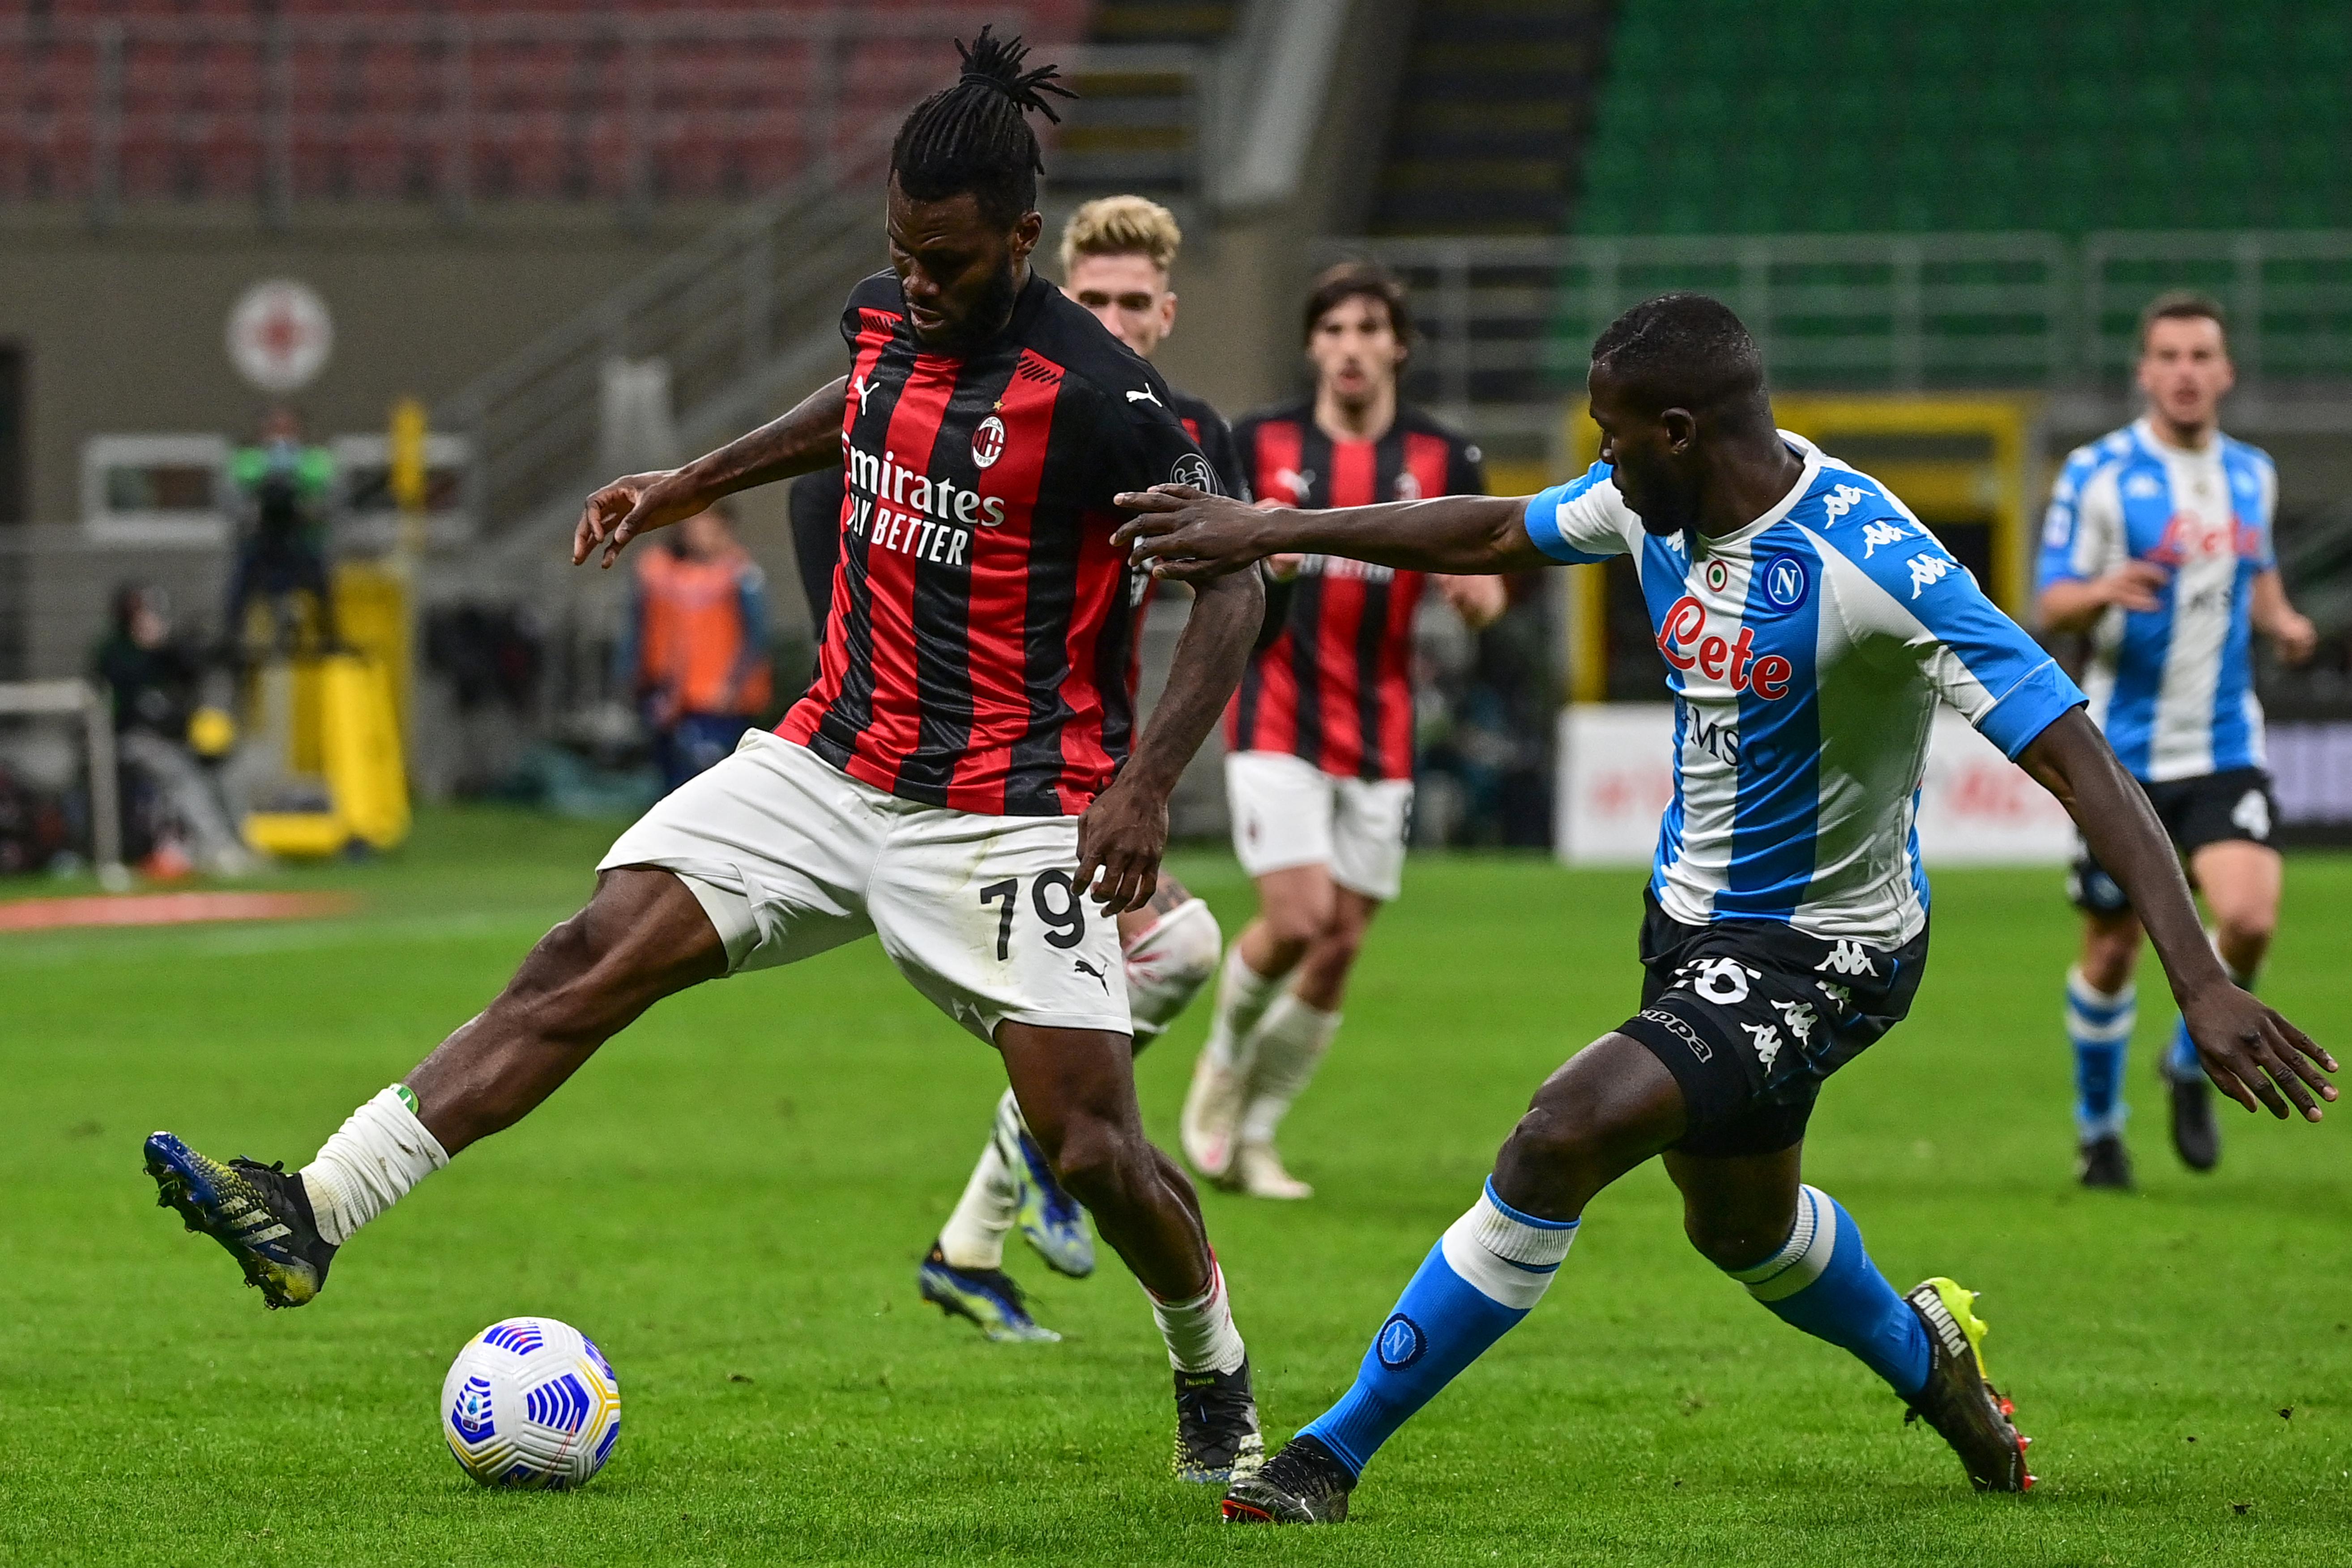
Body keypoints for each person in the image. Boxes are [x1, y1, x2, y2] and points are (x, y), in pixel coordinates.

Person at [142, 30, 1272, 1486]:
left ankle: (1213, 1369)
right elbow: (855, 407)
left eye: (947, 264)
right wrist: (685, 481)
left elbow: (1235, 584)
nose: (919, 289)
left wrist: (1142, 785)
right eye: (900, 258)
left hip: (1000, 813)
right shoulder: (886, 321)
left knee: (1092, 1147)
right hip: (823, 765)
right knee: (586, 952)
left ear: (1020, 237)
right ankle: (313, 1207)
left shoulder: (1105, 398)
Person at [1114, 292, 2335, 1523]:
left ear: (1681, 429)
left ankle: (1325, 1453)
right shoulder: (1656, 500)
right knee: (1741, 1228)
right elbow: (1491, 530)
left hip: (1830, 951)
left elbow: (2078, 758)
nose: (1596, 457)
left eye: (1610, 434)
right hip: (1687, 926)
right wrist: (1272, 524)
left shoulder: (1876, 563)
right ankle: (1936, 1366)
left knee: (1558, 1130)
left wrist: (2197, 978)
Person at [913, 194, 1246, 1342]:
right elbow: (834, 476)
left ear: (1165, 309)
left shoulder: (1180, 434)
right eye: (1089, 297)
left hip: (1088, 764)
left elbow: (1238, 596)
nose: (1110, 317)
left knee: (1136, 976)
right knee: (1179, 947)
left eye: (1130, 301)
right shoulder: (1005, 392)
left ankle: (970, 1238)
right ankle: (1028, 1190)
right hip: (997, 771)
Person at [1180, 262, 1506, 1201]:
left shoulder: (1445, 459)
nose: (1350, 344)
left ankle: (1256, 1133)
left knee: (1340, 945)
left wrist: (1479, 599)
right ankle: (1221, 1064)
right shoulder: (1261, 442)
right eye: (1332, 327)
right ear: (1312, 345)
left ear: (1397, 344)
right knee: (1297, 915)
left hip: (1382, 727)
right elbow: (1218, 565)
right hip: (1275, 708)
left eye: (1367, 326)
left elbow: (1485, 583)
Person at [2037, 291, 2318, 1188]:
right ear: (2143, 371)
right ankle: (2097, 1130)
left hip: (2223, 739)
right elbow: (2048, 599)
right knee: (2111, 948)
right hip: (2117, 756)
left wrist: (2282, 622)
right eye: (2168, 355)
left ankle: (2186, 1059)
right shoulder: (2096, 473)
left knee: (2247, 914)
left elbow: (2255, 576)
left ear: (2224, 372)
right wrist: (2099, 589)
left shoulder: (2250, 474)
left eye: (2200, 355)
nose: (2185, 371)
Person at [92, 583, 250, 876]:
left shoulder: (166, 649)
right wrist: (147, 649)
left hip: (172, 737)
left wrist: (165, 646)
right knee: (181, 775)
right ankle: (218, 847)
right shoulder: (114, 650)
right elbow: (123, 688)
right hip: (132, 738)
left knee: (221, 772)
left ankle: (230, 841)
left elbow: (190, 672)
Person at [616, 502, 773, 792]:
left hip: (718, 700)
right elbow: (641, 627)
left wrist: (733, 686)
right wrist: (633, 677)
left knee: (710, 785)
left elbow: (756, 636)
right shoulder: (659, 570)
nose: (699, 534)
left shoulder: (740, 574)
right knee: (669, 784)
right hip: (666, 696)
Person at [223, 406, 339, 655]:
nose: (281, 438)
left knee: (321, 582)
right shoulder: (248, 463)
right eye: (275, 429)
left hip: (301, 544)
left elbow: (330, 503)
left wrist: (303, 507)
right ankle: (231, 638)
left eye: (287, 430)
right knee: (241, 583)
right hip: (260, 545)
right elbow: (234, 505)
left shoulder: (315, 463)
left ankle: (328, 635)